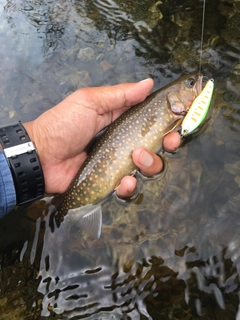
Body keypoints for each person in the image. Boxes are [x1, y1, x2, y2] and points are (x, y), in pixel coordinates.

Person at [0, 78, 181, 218]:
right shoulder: (168, 110)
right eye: (190, 84)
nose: (196, 85)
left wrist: (40, 148)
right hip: (69, 201)